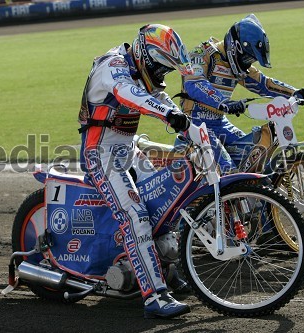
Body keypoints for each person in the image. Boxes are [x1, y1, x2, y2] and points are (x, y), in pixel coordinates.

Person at [78, 23, 192, 319]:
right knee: (136, 216)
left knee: (167, 200)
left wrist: (193, 126)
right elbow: (130, 94)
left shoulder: (140, 67)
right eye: (161, 69)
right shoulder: (113, 65)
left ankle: (167, 271)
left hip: (127, 151)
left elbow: (160, 99)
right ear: (146, 55)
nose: (161, 76)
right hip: (99, 154)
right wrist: (169, 115)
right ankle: (155, 297)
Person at [178, 14, 304, 173]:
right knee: (230, 172)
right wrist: (224, 103)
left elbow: (264, 85)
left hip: (220, 123)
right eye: (248, 58)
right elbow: (194, 82)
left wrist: (294, 92)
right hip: (195, 124)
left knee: (253, 158)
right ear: (235, 47)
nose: (248, 63)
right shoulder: (202, 54)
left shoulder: (238, 64)